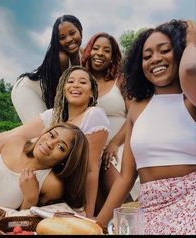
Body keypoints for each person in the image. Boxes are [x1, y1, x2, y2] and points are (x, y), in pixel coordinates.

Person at [96, 19, 196, 235]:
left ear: (180, 52)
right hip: (149, 206)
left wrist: (191, 39)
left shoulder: (191, 100)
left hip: (191, 199)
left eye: (165, 50)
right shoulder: (137, 107)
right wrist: (97, 225)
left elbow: (190, 69)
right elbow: (126, 177)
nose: (155, 59)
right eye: (147, 56)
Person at [0, 65, 110, 218]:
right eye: (70, 81)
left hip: (59, 190)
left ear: (92, 92)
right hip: (39, 185)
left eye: (83, 82)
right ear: (63, 88)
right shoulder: (53, 115)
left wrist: (88, 214)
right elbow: (10, 134)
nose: (75, 85)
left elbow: (91, 169)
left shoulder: (93, 115)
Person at [0, 123, 89, 210]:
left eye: (61, 147)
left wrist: (30, 198)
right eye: (51, 135)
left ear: (66, 160)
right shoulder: (16, 143)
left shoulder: (51, 184)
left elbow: (23, 222)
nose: (50, 143)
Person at [82, 32, 138, 212]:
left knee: (115, 178)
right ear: (89, 51)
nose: (100, 53)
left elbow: (133, 114)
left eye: (107, 50)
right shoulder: (80, 81)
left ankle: (133, 220)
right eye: (96, 48)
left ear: (113, 57)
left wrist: (114, 143)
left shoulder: (120, 80)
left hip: (120, 142)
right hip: (90, 148)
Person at [11, 14, 83, 123]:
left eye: (72, 33)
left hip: (49, 94)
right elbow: (60, 95)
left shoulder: (83, 53)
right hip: (29, 89)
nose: (69, 39)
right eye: (62, 37)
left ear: (80, 30)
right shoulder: (62, 58)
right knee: (40, 134)